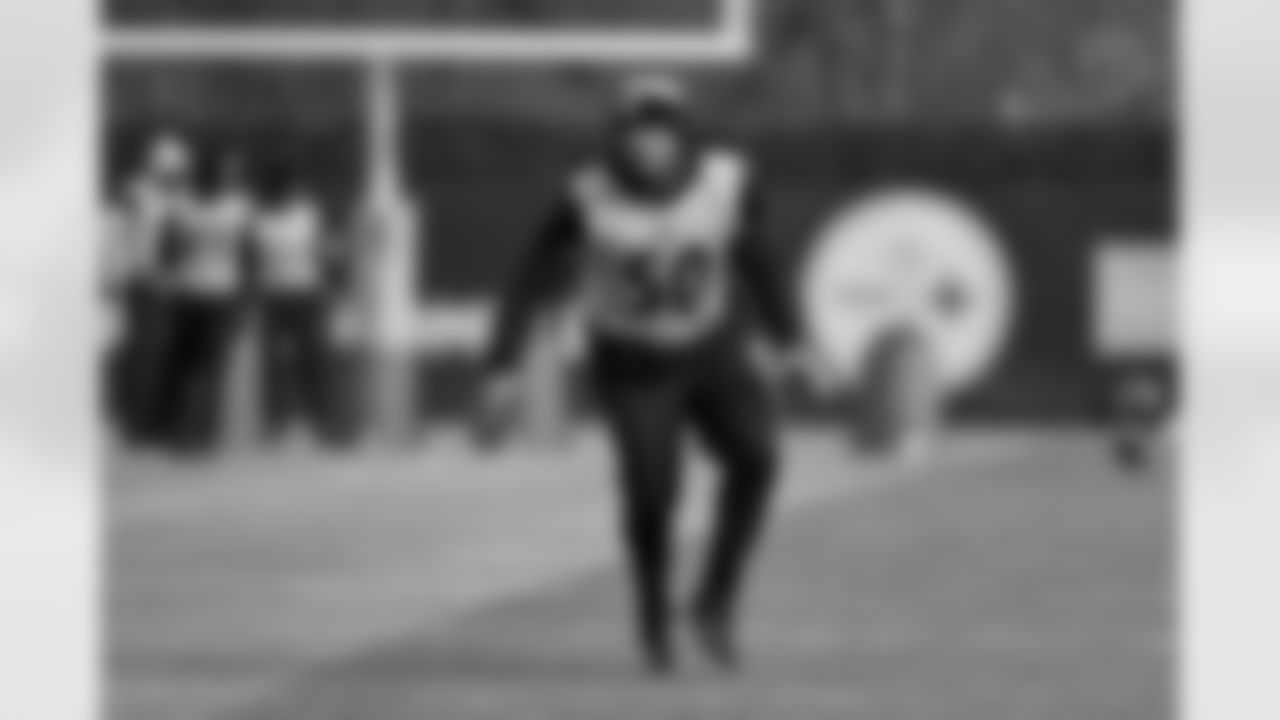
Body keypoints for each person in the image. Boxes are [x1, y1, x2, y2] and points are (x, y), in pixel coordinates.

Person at [482, 77, 827, 674]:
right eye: (640, 129)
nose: (652, 144)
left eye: (663, 129)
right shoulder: (586, 196)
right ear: (618, 136)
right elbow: (530, 280)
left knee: (759, 458)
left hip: (712, 345)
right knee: (651, 489)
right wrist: (501, 367)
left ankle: (714, 601)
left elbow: (760, 263)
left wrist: (792, 343)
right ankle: (652, 613)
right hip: (630, 357)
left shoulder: (726, 182)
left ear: (684, 133)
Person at [113, 133, 198, 447]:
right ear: (155, 167)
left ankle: (158, 423)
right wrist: (124, 272)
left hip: (173, 286)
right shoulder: (136, 191)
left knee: (165, 356)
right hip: (144, 284)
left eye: (178, 171)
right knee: (144, 356)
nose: (174, 176)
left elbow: (186, 240)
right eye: (169, 171)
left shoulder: (183, 197)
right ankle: (138, 426)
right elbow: (123, 234)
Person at [254, 161, 334, 444]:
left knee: (312, 360)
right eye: (284, 188)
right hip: (272, 297)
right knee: (272, 364)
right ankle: (275, 422)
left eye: (291, 188)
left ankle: (323, 421)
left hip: (305, 294)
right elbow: (250, 260)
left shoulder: (308, 215)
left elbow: (321, 253)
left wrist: (325, 292)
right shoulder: (258, 219)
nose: (288, 193)